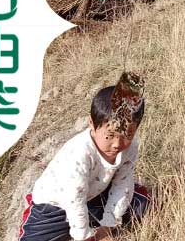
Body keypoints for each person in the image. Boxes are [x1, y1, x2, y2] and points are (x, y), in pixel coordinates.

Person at [18, 86, 150, 241]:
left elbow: (123, 183)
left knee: (141, 203)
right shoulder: (80, 152)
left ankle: (91, 222)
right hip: (55, 206)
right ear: (92, 124)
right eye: (110, 135)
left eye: (127, 134)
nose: (117, 144)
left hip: (93, 196)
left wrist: (108, 225)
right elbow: (74, 199)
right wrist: (85, 237)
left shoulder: (131, 146)